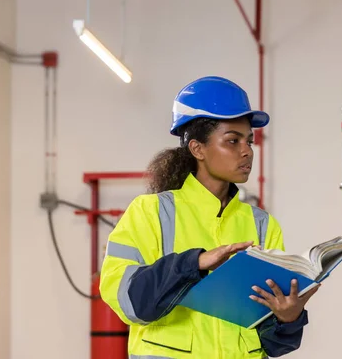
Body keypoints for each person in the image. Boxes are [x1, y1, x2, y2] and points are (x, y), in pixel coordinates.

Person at [99, 76, 320, 358]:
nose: (246, 151)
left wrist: (289, 318)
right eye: (232, 141)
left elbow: (273, 345)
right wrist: (194, 263)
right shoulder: (150, 212)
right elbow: (128, 301)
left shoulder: (262, 225)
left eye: (249, 141)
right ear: (198, 149)